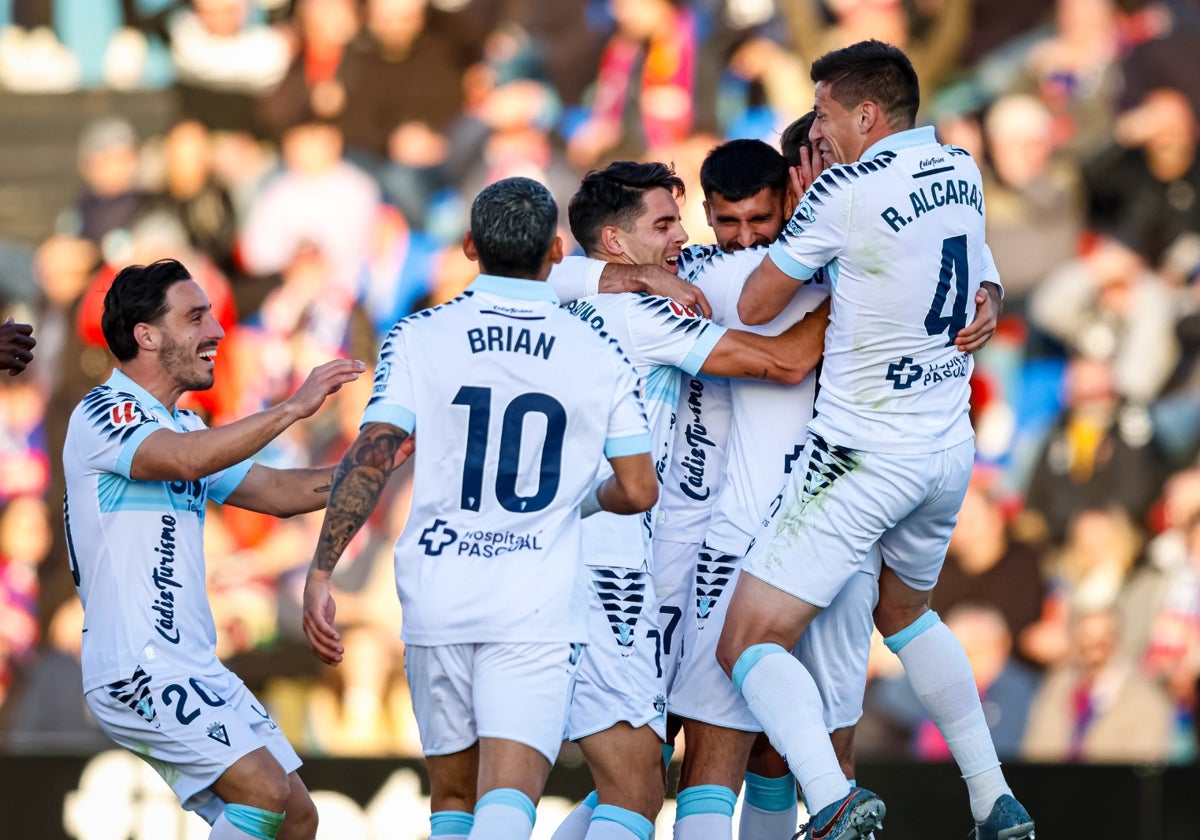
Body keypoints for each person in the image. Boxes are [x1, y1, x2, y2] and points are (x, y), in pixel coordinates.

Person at [716, 40, 1034, 839]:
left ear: (865, 114)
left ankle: (829, 802)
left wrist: (812, 211)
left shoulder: (842, 196)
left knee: (745, 645)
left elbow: (756, 303)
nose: (820, 133)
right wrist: (987, 298)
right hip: (944, 451)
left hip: (858, 464)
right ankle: (991, 796)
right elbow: (977, 268)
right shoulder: (959, 167)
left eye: (824, 115)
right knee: (909, 613)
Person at [302, 176, 659, 840]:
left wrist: (322, 569)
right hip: (534, 600)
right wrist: (582, 501)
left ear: (469, 247)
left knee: (453, 802)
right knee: (509, 798)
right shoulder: (597, 350)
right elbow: (639, 490)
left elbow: (372, 456)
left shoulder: (417, 335)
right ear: (556, 251)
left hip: (437, 590)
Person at [550, 159, 829, 840]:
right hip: (619, 556)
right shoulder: (642, 310)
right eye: (666, 224)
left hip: (594, 549)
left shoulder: (551, 293)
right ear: (616, 240)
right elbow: (784, 361)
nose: (687, 238)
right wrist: (863, 297)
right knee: (644, 785)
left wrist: (636, 270)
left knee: (635, 775)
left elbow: (557, 270)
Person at [62, 258, 366, 840]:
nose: (217, 332)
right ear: (146, 335)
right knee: (262, 790)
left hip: (193, 665)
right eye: (196, 317)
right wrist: (291, 408)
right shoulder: (104, 413)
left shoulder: (179, 424)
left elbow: (279, 492)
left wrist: (380, 463)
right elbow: (187, 460)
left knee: (298, 816)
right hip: (137, 665)